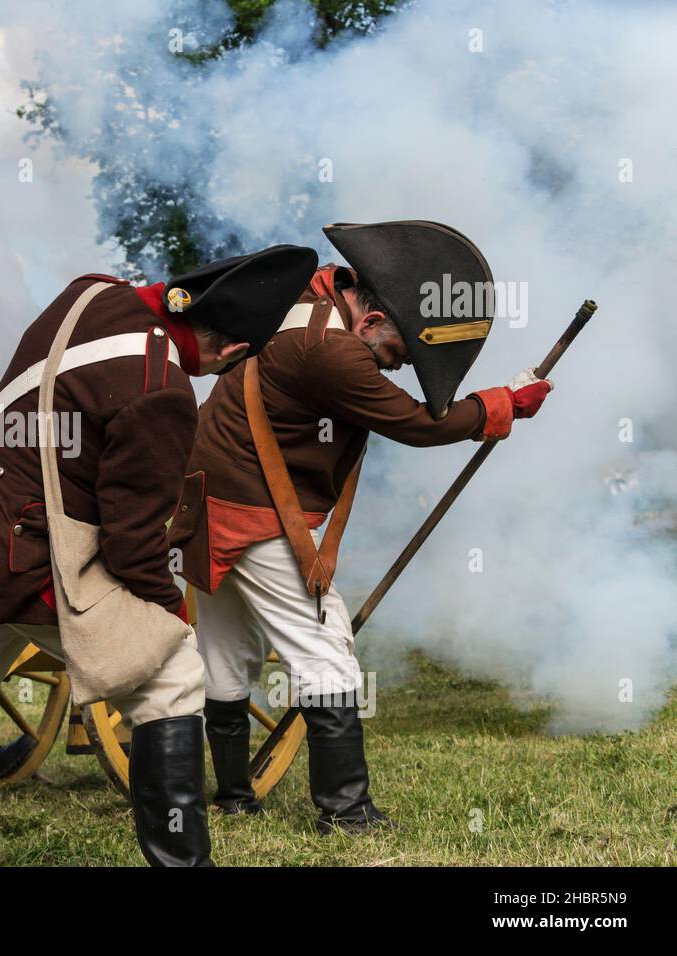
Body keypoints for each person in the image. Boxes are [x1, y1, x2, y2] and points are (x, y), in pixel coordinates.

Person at [0, 245, 319, 866]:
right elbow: (134, 544)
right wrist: (169, 616)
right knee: (174, 677)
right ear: (231, 351)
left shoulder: (88, 293)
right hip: (21, 551)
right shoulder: (162, 390)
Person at [168, 220, 553, 834]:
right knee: (327, 655)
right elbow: (419, 425)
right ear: (372, 322)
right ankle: (346, 813)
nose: (394, 371)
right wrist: (502, 405)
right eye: (398, 354)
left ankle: (236, 796)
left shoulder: (301, 298)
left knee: (226, 657)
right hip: (254, 517)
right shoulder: (333, 350)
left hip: (205, 511)